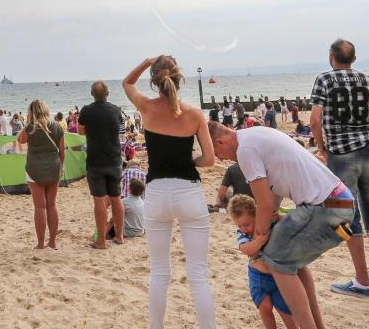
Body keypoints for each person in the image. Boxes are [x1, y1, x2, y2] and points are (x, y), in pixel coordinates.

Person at [209, 122, 352, 329]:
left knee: (276, 257)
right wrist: (271, 218)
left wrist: (258, 238)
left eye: (217, 153)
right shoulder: (255, 134)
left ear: (220, 141)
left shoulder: (245, 150)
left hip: (325, 206)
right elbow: (273, 196)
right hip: (340, 200)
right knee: (293, 259)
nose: (220, 159)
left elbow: (264, 204)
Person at [123, 56, 216, 329]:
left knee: (159, 273)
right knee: (198, 274)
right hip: (188, 191)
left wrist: (144, 62)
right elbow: (209, 159)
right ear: (179, 77)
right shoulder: (194, 113)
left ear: (154, 80)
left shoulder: (146, 108)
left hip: (157, 193)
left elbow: (127, 82)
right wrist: (189, 163)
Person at [309, 39, 369, 298]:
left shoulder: (324, 80)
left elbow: (315, 120)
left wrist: (322, 147)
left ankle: (362, 280)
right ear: (354, 58)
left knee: (347, 214)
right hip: (368, 150)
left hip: (340, 153)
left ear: (330, 57)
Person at [230, 194, 298, 329]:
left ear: (257, 215)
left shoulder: (268, 223)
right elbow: (246, 249)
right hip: (258, 277)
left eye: (246, 224)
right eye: (239, 225)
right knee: (265, 308)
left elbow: (290, 222)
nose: (243, 228)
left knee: (285, 309)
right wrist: (258, 242)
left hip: (278, 276)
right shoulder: (243, 233)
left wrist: (278, 217)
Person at [79, 80, 126, 248]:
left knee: (99, 200)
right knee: (116, 198)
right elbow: (120, 129)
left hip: (95, 160)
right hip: (114, 159)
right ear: (107, 94)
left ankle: (101, 240)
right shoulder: (115, 110)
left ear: (92, 94)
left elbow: (80, 131)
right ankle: (119, 236)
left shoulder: (86, 111)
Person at [19, 99, 66, 249]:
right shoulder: (57, 126)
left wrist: (27, 122)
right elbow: (62, 151)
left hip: (34, 169)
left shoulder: (30, 128)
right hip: (53, 167)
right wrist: (61, 167)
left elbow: (20, 140)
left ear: (31, 112)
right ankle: (52, 242)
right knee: (52, 205)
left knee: (40, 207)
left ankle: (40, 243)